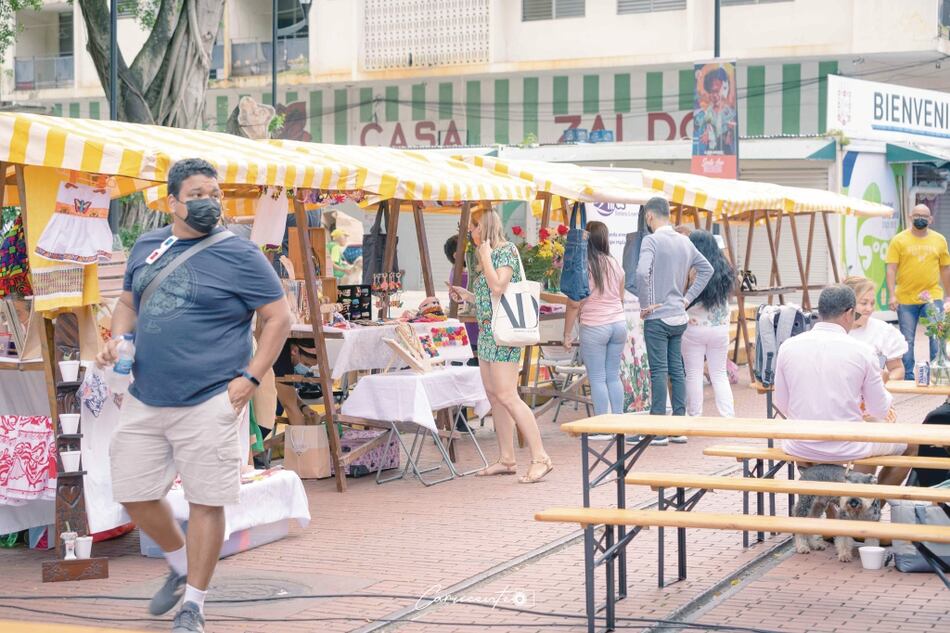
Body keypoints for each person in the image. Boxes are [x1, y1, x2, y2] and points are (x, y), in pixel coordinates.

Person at [97, 159, 291, 633]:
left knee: (207, 501)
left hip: (211, 397)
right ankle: (181, 566)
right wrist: (117, 339)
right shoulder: (147, 245)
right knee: (134, 493)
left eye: (214, 194)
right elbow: (128, 302)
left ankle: (194, 606)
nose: (209, 202)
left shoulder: (242, 255)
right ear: (173, 202)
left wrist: (251, 377)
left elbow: (280, 318)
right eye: (198, 194)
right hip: (146, 394)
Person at [447, 207, 552, 483]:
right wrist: (467, 296)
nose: (470, 234)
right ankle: (507, 458)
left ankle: (541, 456)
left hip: (503, 335)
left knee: (507, 395)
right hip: (487, 334)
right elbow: (489, 296)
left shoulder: (502, 252)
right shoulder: (489, 254)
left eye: (472, 228)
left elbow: (498, 287)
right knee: (495, 397)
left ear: (483, 227)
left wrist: (485, 257)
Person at [774, 285, 915, 486]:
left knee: (867, 438)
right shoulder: (862, 351)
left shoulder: (788, 346)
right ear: (849, 313)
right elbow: (879, 410)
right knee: (912, 445)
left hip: (799, 444)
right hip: (847, 446)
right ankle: (869, 505)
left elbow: (781, 403)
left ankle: (844, 504)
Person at [635, 197, 713, 445]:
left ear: (649, 216)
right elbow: (707, 269)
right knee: (676, 370)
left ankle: (658, 429)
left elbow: (640, 272)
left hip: (657, 316)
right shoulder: (684, 241)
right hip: (679, 316)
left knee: (659, 371)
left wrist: (645, 304)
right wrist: (687, 298)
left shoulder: (651, 240)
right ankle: (678, 426)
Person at [563, 221, 626, 416]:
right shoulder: (615, 263)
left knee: (597, 378)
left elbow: (574, 304)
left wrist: (566, 334)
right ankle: (619, 423)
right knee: (613, 377)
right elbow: (620, 298)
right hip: (618, 324)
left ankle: (603, 427)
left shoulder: (584, 267)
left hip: (595, 326)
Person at [885, 204, 950, 379]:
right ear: (910, 216)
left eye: (924, 215)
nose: (920, 218)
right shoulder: (899, 240)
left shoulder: (940, 240)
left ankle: (938, 373)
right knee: (908, 339)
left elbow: (945, 269)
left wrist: (948, 295)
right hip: (906, 299)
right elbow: (891, 268)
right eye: (917, 215)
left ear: (931, 219)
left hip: (933, 297)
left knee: (937, 335)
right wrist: (892, 294)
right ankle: (908, 376)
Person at [682, 230, 736, 419]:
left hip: (693, 328)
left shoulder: (689, 268)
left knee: (694, 374)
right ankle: (728, 416)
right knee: (719, 373)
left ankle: (695, 416)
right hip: (720, 327)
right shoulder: (724, 268)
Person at [844, 275, 907, 383]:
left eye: (872, 303)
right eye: (864, 303)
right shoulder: (833, 330)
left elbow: (898, 369)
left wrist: (880, 383)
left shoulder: (883, 331)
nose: (869, 309)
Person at [444, 233, 479, 360]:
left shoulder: (455, 272)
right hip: (472, 331)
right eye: (468, 250)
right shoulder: (464, 276)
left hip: (467, 332)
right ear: (456, 255)